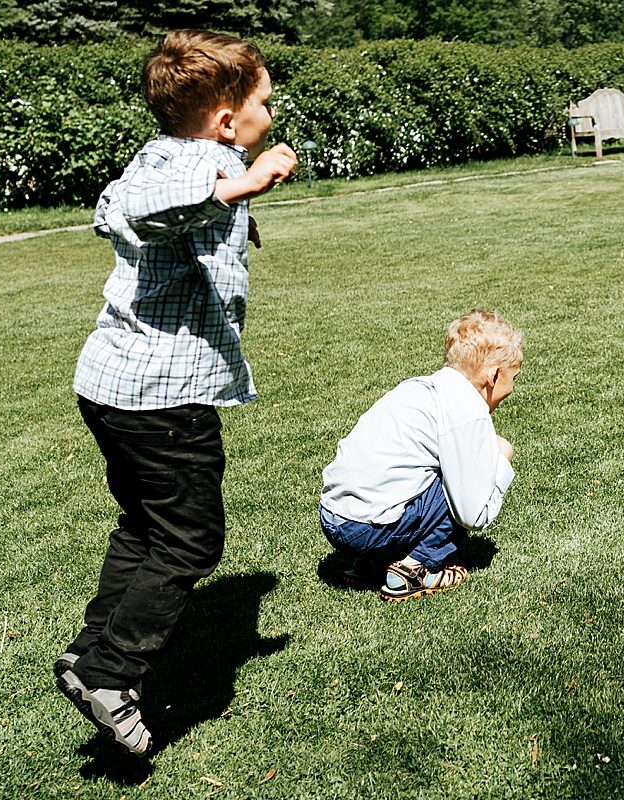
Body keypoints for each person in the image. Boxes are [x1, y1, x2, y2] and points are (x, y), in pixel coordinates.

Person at [56, 29, 298, 757]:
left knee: (145, 525)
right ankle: (110, 672)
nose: (271, 112)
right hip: (158, 398)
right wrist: (237, 185)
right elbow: (129, 212)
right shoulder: (201, 164)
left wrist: (233, 209)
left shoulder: (165, 154)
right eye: (263, 102)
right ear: (228, 120)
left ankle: (88, 652)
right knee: (192, 539)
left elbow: (122, 206)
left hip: (112, 387)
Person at [320, 309, 523, 602]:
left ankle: (369, 561)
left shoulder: (418, 389)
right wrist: (501, 460)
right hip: (366, 529)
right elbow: (474, 515)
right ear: (493, 375)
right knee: (460, 477)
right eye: (513, 377)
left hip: (333, 517)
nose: (512, 388)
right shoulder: (467, 411)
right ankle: (414, 569)